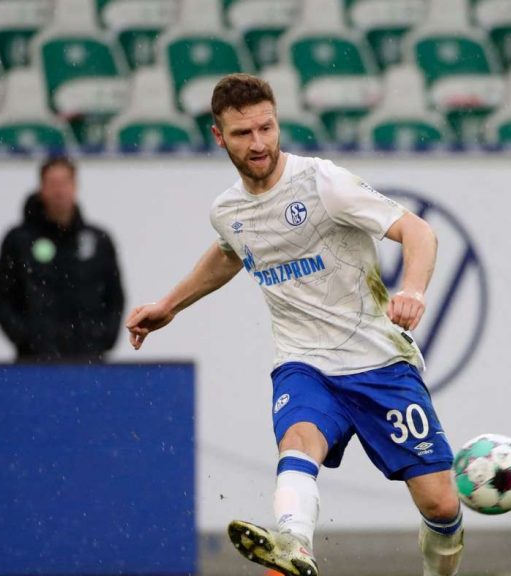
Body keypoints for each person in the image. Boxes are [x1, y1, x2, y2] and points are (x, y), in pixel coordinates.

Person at [124, 73, 463, 576]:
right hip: (304, 363)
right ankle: (294, 543)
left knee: (440, 504)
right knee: (299, 440)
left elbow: (417, 231)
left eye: (266, 128)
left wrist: (412, 290)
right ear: (219, 136)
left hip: (379, 363)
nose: (258, 143)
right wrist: (170, 305)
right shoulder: (227, 210)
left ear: (278, 122)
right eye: (242, 133)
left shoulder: (323, 182)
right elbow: (230, 252)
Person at [0, 156, 125, 362]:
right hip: (35, 360)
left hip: (89, 358)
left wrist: (104, 337)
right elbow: (1, 297)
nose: (59, 191)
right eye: (52, 184)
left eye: (64, 183)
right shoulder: (19, 241)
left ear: (75, 187)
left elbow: (115, 296)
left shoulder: (98, 241)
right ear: (41, 189)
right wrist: (25, 337)